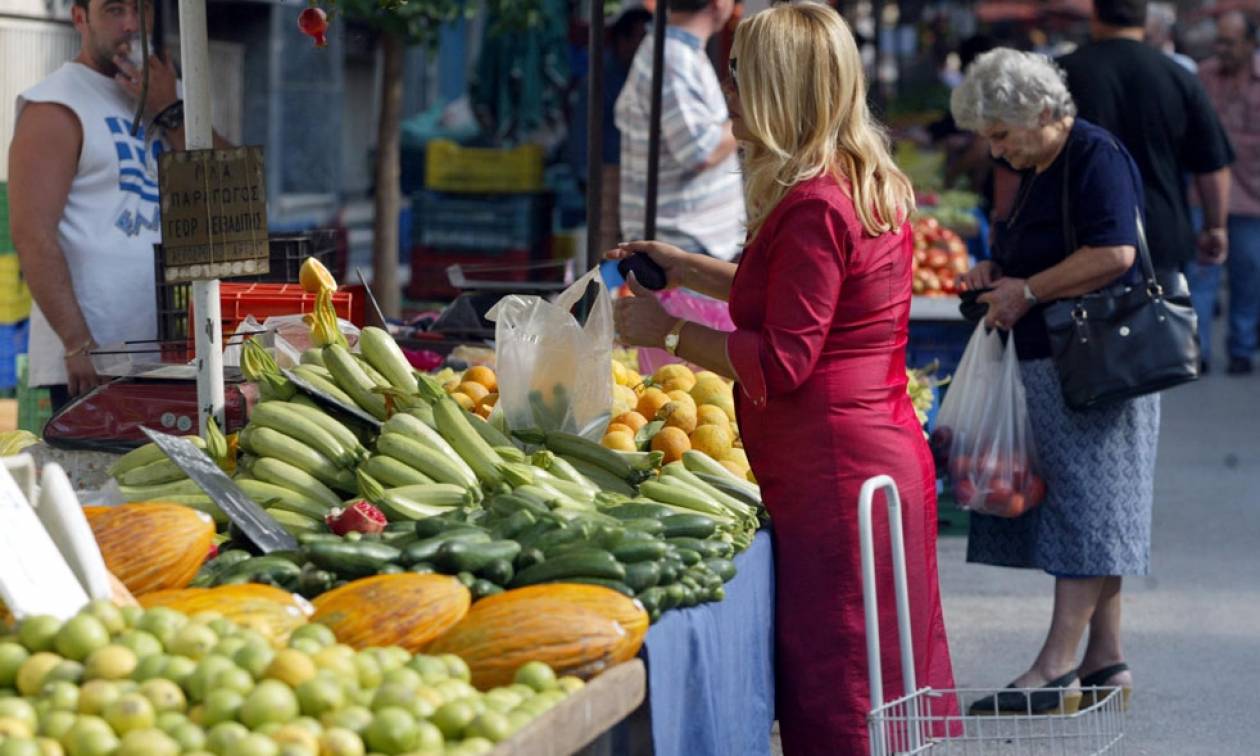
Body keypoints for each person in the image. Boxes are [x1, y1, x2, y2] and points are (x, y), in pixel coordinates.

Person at [610, 4, 956, 751]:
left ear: (779, 89)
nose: (728, 92)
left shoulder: (813, 203)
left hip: (836, 468)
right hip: (875, 454)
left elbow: (784, 361)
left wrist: (664, 330)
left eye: (739, 77)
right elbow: (809, 300)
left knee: (843, 685)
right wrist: (692, 268)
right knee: (880, 676)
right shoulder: (863, 183)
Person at [951, 48, 1159, 715]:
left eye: (1003, 134)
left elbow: (1114, 252)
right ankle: (1107, 659)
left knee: (1088, 512)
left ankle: (1055, 668)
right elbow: (1041, 249)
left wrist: (1030, 290)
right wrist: (995, 270)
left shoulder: (1096, 156)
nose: (998, 150)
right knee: (1096, 507)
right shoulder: (1043, 164)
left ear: (1042, 110)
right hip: (1062, 361)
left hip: (1094, 366)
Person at [8, 0, 229, 411]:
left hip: (174, 349)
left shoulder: (169, 92)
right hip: (96, 360)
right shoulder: (55, 104)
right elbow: (32, 234)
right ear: (80, 18)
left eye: (141, 9)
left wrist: (170, 110)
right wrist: (77, 343)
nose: (130, 24)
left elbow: (229, 190)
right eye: (113, 10)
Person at [1058, 0, 1233, 278]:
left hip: (1074, 236)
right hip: (1159, 234)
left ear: (1095, 16)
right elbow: (1212, 164)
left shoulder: (1061, 74)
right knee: (1160, 320)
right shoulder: (1178, 76)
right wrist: (1216, 228)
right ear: (1144, 21)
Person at [614, 0, 744, 261]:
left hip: (690, 243)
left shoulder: (679, 52)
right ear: (718, 4)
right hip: (684, 247)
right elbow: (700, 151)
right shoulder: (673, 59)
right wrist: (749, 121)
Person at [1197, 10, 1260, 375]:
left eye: (1229, 42)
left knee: (1247, 275)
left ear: (1250, 44)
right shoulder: (1205, 75)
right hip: (1205, 194)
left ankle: (1241, 346)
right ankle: (1198, 349)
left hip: (1250, 197)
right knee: (1202, 272)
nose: (1221, 49)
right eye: (1218, 41)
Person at [568, 7, 652, 254]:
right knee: (609, 246)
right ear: (623, 40)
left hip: (637, 174)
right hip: (607, 174)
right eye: (641, 39)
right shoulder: (600, 77)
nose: (645, 48)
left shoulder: (643, 76)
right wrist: (587, 179)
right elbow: (581, 132)